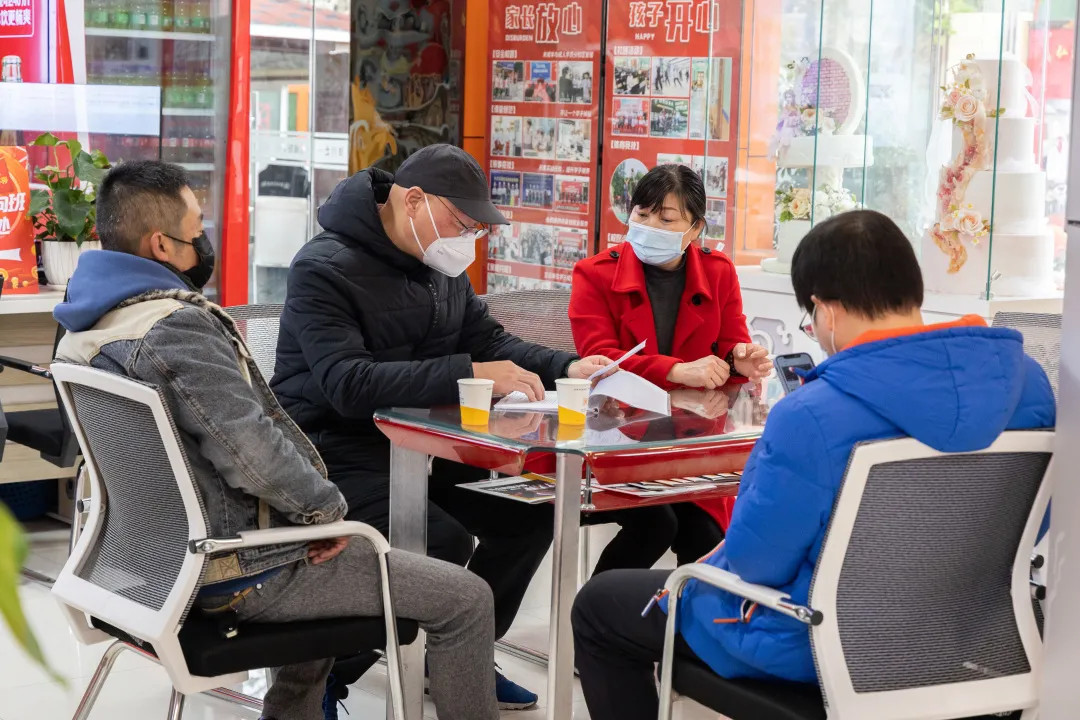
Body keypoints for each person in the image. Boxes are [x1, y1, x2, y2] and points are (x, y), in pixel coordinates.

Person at [51, 159, 501, 720]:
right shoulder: (176, 328)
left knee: (340, 559)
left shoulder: (82, 324)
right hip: (232, 572)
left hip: (136, 565)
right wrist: (324, 514)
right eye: (197, 233)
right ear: (160, 246)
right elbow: (250, 450)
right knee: (466, 599)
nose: (205, 244)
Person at [571, 209, 1057, 720]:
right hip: (968, 634)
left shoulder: (811, 414)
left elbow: (759, 564)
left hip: (821, 644)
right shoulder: (1028, 387)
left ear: (825, 311)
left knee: (601, 606)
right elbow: (1028, 521)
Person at [271, 143, 612, 710]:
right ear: (414, 200)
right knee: (441, 542)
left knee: (530, 512)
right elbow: (347, 384)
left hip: (423, 448)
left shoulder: (439, 266)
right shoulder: (322, 268)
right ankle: (329, 669)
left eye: (478, 228)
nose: (469, 239)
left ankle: (459, 655)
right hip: (333, 453)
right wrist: (470, 373)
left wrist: (567, 365)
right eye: (463, 222)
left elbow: (490, 343)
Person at [569, 164, 771, 573]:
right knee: (657, 524)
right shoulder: (594, 274)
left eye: (666, 218)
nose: (649, 226)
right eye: (642, 214)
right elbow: (601, 361)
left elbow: (731, 343)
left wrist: (740, 360)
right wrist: (678, 371)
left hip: (691, 447)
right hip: (618, 439)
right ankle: (598, 619)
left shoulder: (718, 271)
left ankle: (686, 628)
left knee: (707, 534)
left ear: (695, 228)